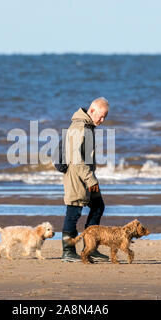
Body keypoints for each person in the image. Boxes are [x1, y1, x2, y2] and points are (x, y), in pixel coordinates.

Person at [61, 97, 110, 262]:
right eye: (101, 116)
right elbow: (76, 160)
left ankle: (91, 248)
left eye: (105, 117)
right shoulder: (80, 127)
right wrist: (91, 180)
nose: (102, 120)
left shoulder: (88, 126)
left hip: (87, 178)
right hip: (78, 178)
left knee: (98, 206)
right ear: (91, 111)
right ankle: (68, 252)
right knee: (73, 212)